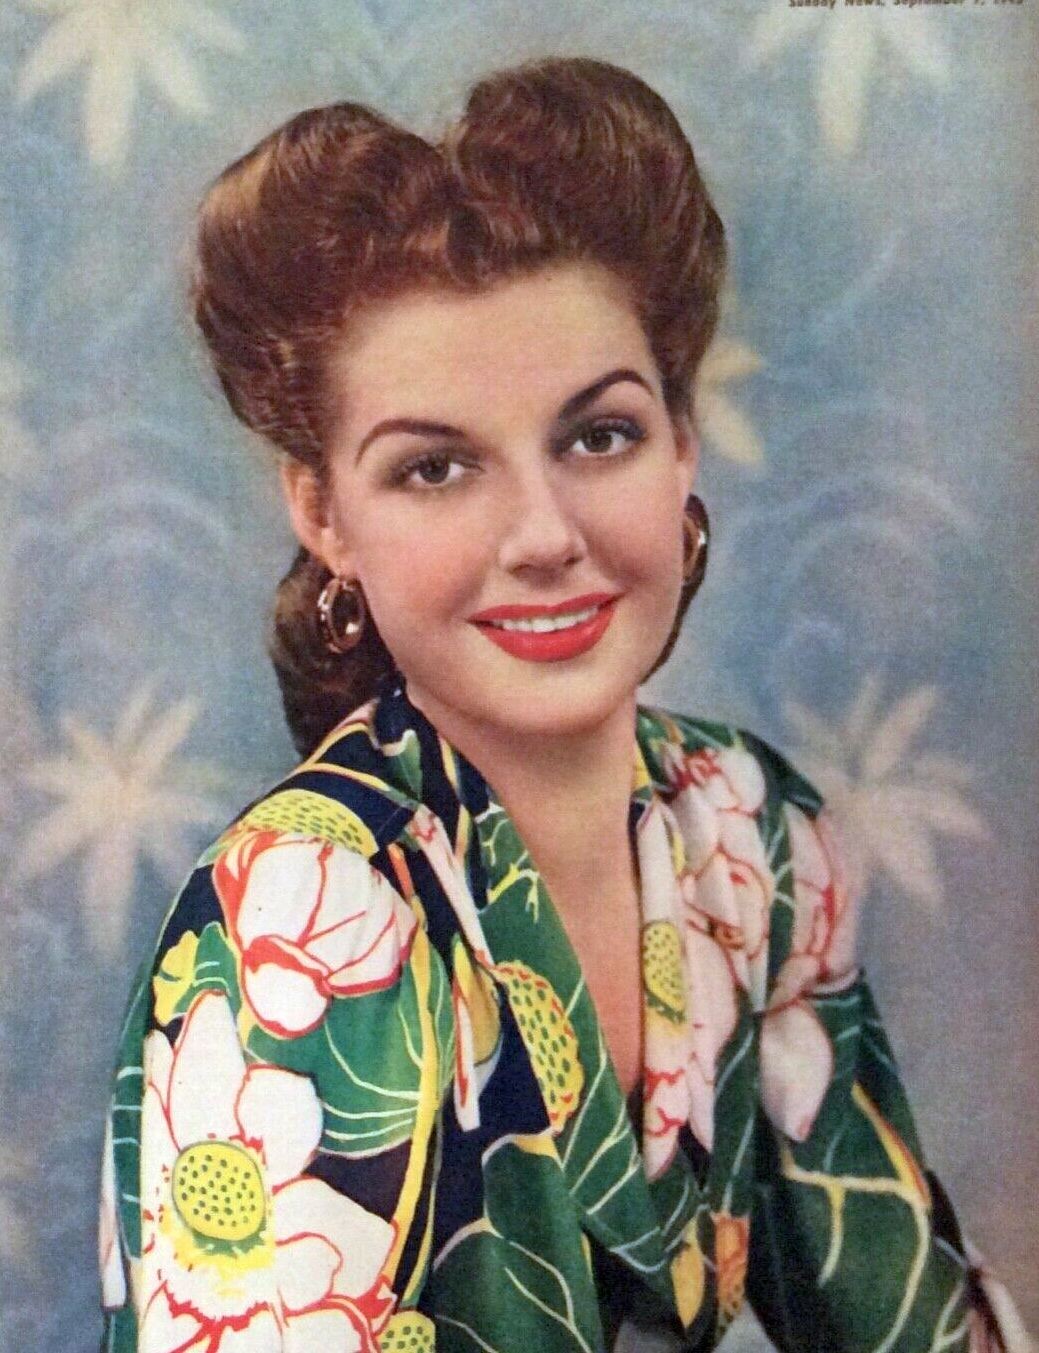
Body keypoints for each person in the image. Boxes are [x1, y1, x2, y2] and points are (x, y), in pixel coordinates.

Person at [97, 58, 1028, 1353]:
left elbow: (907, 1319)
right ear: (324, 514)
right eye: (436, 468)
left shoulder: (745, 827)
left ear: (682, 441)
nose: (543, 535)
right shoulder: (305, 918)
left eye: (598, 437)